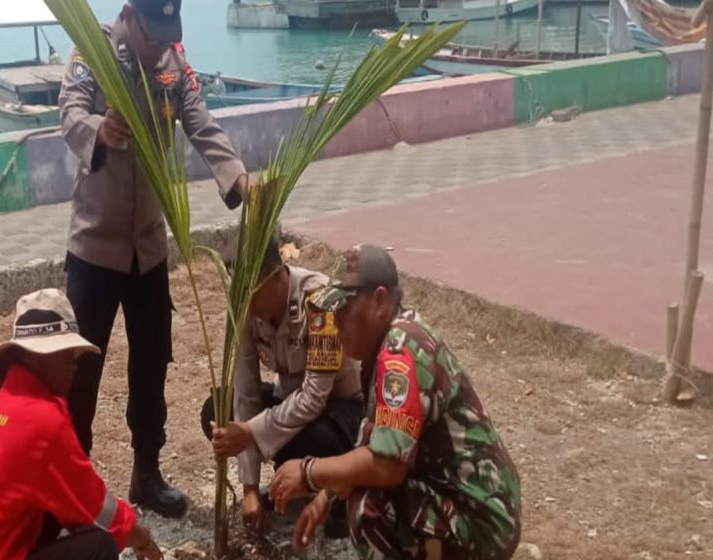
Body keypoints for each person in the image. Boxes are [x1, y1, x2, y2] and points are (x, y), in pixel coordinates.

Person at [58, 0, 249, 518]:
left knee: (151, 364)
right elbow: (69, 111)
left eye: (169, 32)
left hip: (148, 248)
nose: (159, 44)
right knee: (81, 374)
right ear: (129, 16)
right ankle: (74, 489)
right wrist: (98, 128)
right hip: (95, 249)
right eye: (152, 32)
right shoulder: (94, 50)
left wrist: (237, 177)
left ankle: (147, 474)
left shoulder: (172, 62)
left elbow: (200, 120)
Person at [270, 245, 522, 560]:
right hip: (469, 503)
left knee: (369, 507)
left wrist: (309, 472)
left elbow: (387, 465)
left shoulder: (400, 352)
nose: (335, 322)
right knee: (361, 488)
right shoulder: (388, 344)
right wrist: (325, 497)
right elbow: (375, 442)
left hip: (481, 518)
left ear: (379, 301)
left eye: (345, 309)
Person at [0, 289, 162, 560]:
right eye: (64, 355)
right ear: (31, 356)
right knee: (99, 545)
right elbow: (98, 510)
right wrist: (142, 539)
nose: (74, 365)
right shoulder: (41, 421)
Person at [199, 236, 363, 533]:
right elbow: (246, 394)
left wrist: (249, 433)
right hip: (289, 401)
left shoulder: (320, 301)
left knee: (316, 438)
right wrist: (249, 487)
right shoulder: (245, 311)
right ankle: (289, 480)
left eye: (251, 294)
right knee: (217, 412)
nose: (245, 305)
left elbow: (314, 397)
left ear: (276, 276)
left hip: (340, 410)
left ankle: (337, 496)